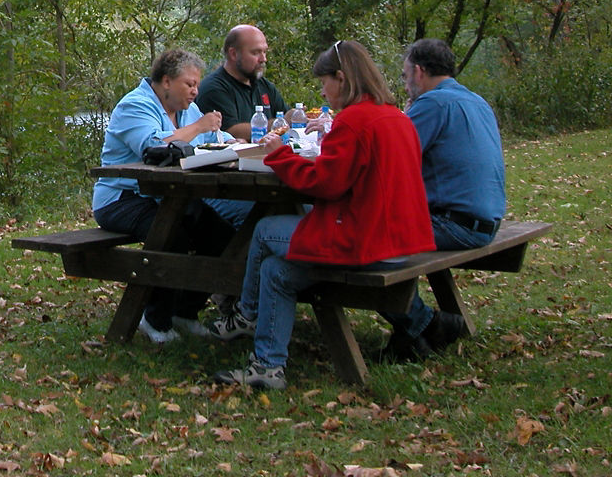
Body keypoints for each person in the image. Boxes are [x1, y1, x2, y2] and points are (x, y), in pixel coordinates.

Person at [206, 40, 435, 390]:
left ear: (341, 78)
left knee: (266, 230)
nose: (323, 92)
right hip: (402, 238)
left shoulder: (354, 121)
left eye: (324, 83)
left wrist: (280, 155)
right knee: (276, 270)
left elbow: (324, 184)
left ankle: (246, 315)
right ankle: (267, 368)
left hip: (366, 240)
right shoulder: (395, 116)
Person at [380, 38, 508, 361]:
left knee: (362, 240)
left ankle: (423, 324)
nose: (405, 83)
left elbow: (388, 159)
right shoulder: (476, 100)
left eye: (406, 75)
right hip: (485, 220)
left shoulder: (433, 105)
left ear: (419, 72)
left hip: (454, 224)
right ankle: (422, 327)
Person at [92, 48, 232, 343]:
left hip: (170, 197)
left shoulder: (187, 110)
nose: (195, 91)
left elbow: (215, 139)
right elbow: (154, 148)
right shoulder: (135, 106)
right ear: (166, 81)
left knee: (219, 235)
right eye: (189, 84)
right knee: (173, 237)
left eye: (196, 85)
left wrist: (242, 142)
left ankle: (185, 311)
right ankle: (154, 319)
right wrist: (198, 127)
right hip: (122, 199)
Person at [197, 25, 288, 142]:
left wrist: (296, 116)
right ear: (233, 54)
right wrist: (280, 124)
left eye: (264, 52)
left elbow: (284, 115)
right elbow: (230, 131)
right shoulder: (214, 88)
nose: (263, 59)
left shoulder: (263, 85)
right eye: (256, 53)